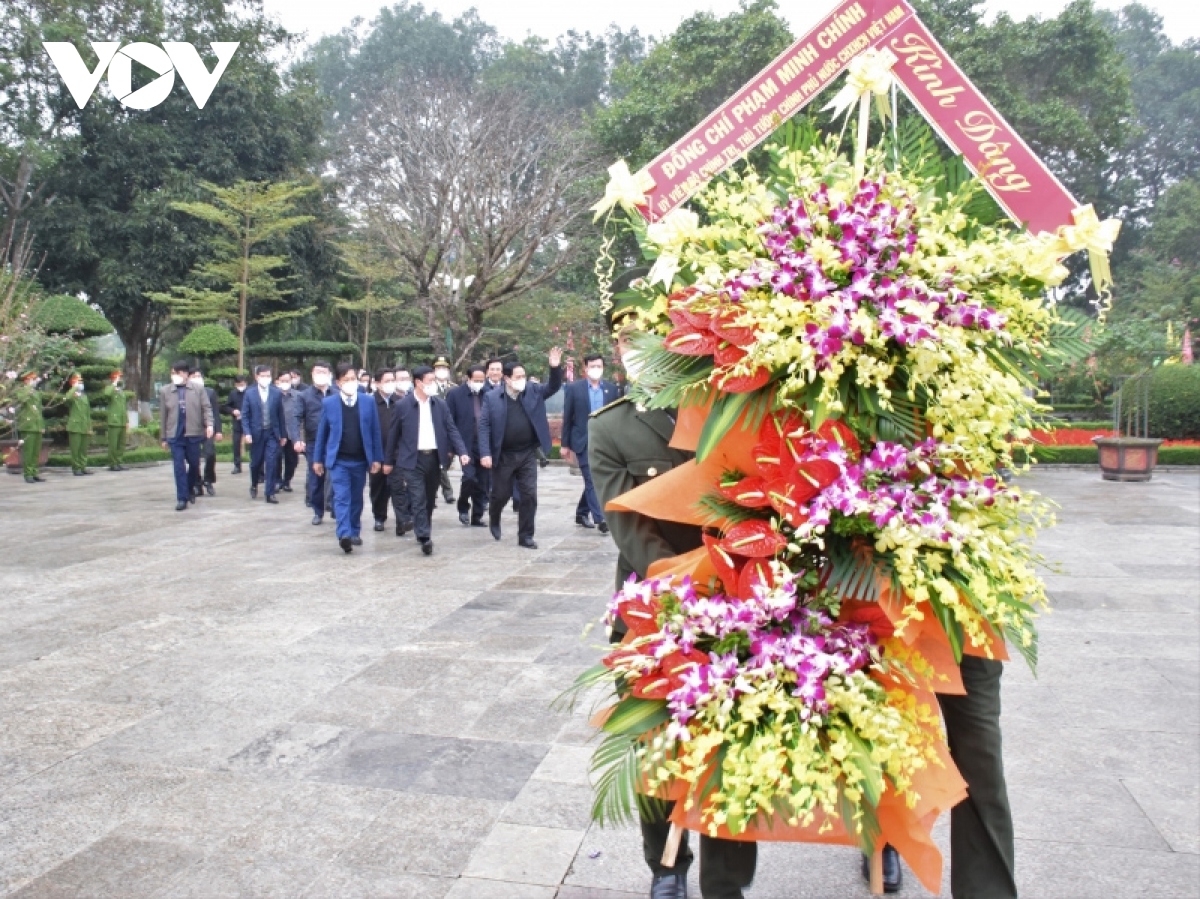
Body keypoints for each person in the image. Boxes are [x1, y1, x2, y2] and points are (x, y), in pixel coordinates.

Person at [590, 293, 757, 899]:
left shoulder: (725, 406)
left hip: (738, 598)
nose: (638, 354)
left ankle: (728, 878)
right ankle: (665, 866)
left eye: (649, 340)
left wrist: (732, 579)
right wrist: (688, 581)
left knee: (734, 739)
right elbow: (628, 525)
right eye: (625, 344)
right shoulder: (609, 425)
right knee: (654, 742)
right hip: (651, 608)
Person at [478, 348, 562, 549]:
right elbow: (484, 425)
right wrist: (485, 453)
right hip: (504, 455)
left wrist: (554, 367)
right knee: (501, 494)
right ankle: (494, 515)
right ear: (506, 379)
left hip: (526, 454)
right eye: (518, 377)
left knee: (529, 495)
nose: (522, 380)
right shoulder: (492, 398)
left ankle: (525, 536)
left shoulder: (533, 390)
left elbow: (553, 386)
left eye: (523, 376)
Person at [382, 365, 470, 556]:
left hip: (434, 458)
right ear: (418, 383)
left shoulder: (440, 405)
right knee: (418, 497)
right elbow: (393, 436)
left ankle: (424, 527)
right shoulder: (402, 406)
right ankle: (424, 536)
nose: (434, 385)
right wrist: (388, 462)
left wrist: (461, 451)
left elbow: (451, 429)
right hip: (412, 460)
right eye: (430, 381)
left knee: (429, 498)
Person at [313, 362, 385, 553]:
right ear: (338, 382)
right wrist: (317, 459)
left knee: (356, 498)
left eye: (353, 379)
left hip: (360, 460)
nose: (351, 382)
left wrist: (377, 458)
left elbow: (375, 431)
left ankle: (354, 530)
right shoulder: (329, 403)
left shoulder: (367, 402)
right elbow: (322, 433)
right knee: (342, 497)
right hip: (339, 460)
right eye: (346, 380)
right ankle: (344, 534)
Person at [561, 353, 619, 534]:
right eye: (592, 366)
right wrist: (564, 445)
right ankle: (600, 518)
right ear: (585, 368)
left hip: (604, 441)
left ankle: (581, 512)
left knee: (595, 480)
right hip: (583, 441)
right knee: (592, 478)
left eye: (599, 366)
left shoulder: (611, 389)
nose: (596, 369)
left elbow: (616, 417)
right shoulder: (574, 389)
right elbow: (568, 418)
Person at [159, 360, 214, 511]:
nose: (174, 376)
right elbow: (163, 415)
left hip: (193, 433)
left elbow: (206, 408)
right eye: (172, 373)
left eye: (176, 373)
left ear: (184, 374)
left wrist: (209, 424)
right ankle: (182, 498)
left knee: (194, 464)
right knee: (178, 466)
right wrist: (163, 437)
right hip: (175, 434)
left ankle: (190, 488)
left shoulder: (197, 389)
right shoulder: (165, 391)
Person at [445, 365, 489, 527]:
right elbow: (448, 422)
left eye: (481, 380)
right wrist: (450, 447)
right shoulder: (455, 395)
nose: (479, 383)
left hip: (484, 445)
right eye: (475, 380)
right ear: (468, 379)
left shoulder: (488, 394)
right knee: (470, 477)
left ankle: (477, 516)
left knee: (482, 482)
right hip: (465, 444)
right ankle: (463, 505)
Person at [293, 361, 334, 525]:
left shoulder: (336, 394)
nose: (320, 375)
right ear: (312, 374)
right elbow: (296, 418)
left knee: (336, 477)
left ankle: (335, 508)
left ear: (329, 374)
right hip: (314, 443)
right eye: (317, 372)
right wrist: (297, 439)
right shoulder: (304, 396)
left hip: (335, 443)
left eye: (324, 372)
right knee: (316, 478)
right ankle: (318, 511)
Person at [241, 364, 287, 504]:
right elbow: (245, 415)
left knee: (272, 462)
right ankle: (254, 483)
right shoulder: (249, 393)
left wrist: (283, 435)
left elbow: (280, 415)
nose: (266, 378)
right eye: (263, 376)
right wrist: (247, 432)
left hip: (272, 433)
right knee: (256, 463)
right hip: (256, 433)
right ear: (256, 377)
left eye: (268, 376)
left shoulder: (276, 393)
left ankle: (270, 493)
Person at [369, 367, 403, 531]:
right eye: (387, 381)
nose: (391, 384)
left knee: (398, 487)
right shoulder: (370, 403)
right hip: (377, 452)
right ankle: (379, 516)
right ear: (377, 383)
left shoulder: (400, 401)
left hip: (397, 452)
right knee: (378, 487)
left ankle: (402, 519)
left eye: (392, 380)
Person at [188, 368, 223, 496]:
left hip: (208, 428)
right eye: (193, 376)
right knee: (194, 458)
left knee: (210, 454)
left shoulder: (210, 392)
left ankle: (208, 480)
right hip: (192, 430)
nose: (196, 378)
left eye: (198, 376)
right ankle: (197, 483)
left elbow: (215, 412)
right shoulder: (186, 392)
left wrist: (218, 430)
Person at [431, 355, 457, 505]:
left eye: (444, 368)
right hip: (433, 431)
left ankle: (432, 490)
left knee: (444, 464)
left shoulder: (454, 388)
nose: (441, 371)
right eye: (438, 368)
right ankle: (447, 492)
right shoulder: (429, 387)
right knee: (438, 463)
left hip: (450, 433)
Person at [15, 370, 46, 483]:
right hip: (27, 425)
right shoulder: (21, 390)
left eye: (34, 379)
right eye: (32, 379)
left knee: (36, 452)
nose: (34, 381)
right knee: (28, 451)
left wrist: (42, 425)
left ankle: (34, 472)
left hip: (37, 425)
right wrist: (28, 388)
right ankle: (28, 474)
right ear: (26, 380)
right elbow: (22, 399)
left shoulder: (36, 393)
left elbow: (39, 410)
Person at [274, 371, 300, 494]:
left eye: (287, 380)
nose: (285, 383)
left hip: (292, 433)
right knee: (276, 458)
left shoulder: (298, 396)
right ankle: (277, 480)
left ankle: (287, 481)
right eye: (282, 380)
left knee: (292, 460)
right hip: (277, 433)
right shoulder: (273, 395)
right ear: (277, 381)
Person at [64, 372, 93, 476]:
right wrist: (74, 388)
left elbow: (88, 413)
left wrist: (90, 427)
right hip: (75, 426)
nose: (80, 383)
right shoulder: (72, 394)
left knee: (83, 449)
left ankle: (82, 467)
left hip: (84, 426)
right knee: (75, 449)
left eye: (81, 381)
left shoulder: (84, 396)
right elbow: (66, 398)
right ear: (73, 382)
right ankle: (76, 468)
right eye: (78, 381)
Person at [102, 370, 131, 471]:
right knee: (113, 444)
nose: (120, 379)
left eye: (120, 377)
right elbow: (106, 394)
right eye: (118, 377)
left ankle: (119, 462)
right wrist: (113, 383)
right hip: (114, 421)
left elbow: (124, 407)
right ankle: (113, 463)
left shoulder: (121, 391)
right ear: (113, 378)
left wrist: (127, 421)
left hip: (122, 421)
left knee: (121, 444)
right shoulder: (110, 389)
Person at [223, 374, 248, 474]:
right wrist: (233, 411)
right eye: (239, 384)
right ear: (235, 384)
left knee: (255, 443)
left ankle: (258, 468)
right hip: (237, 422)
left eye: (242, 384)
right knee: (236, 443)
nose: (241, 386)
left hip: (249, 422)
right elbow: (225, 407)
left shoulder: (250, 392)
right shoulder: (233, 394)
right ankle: (237, 465)